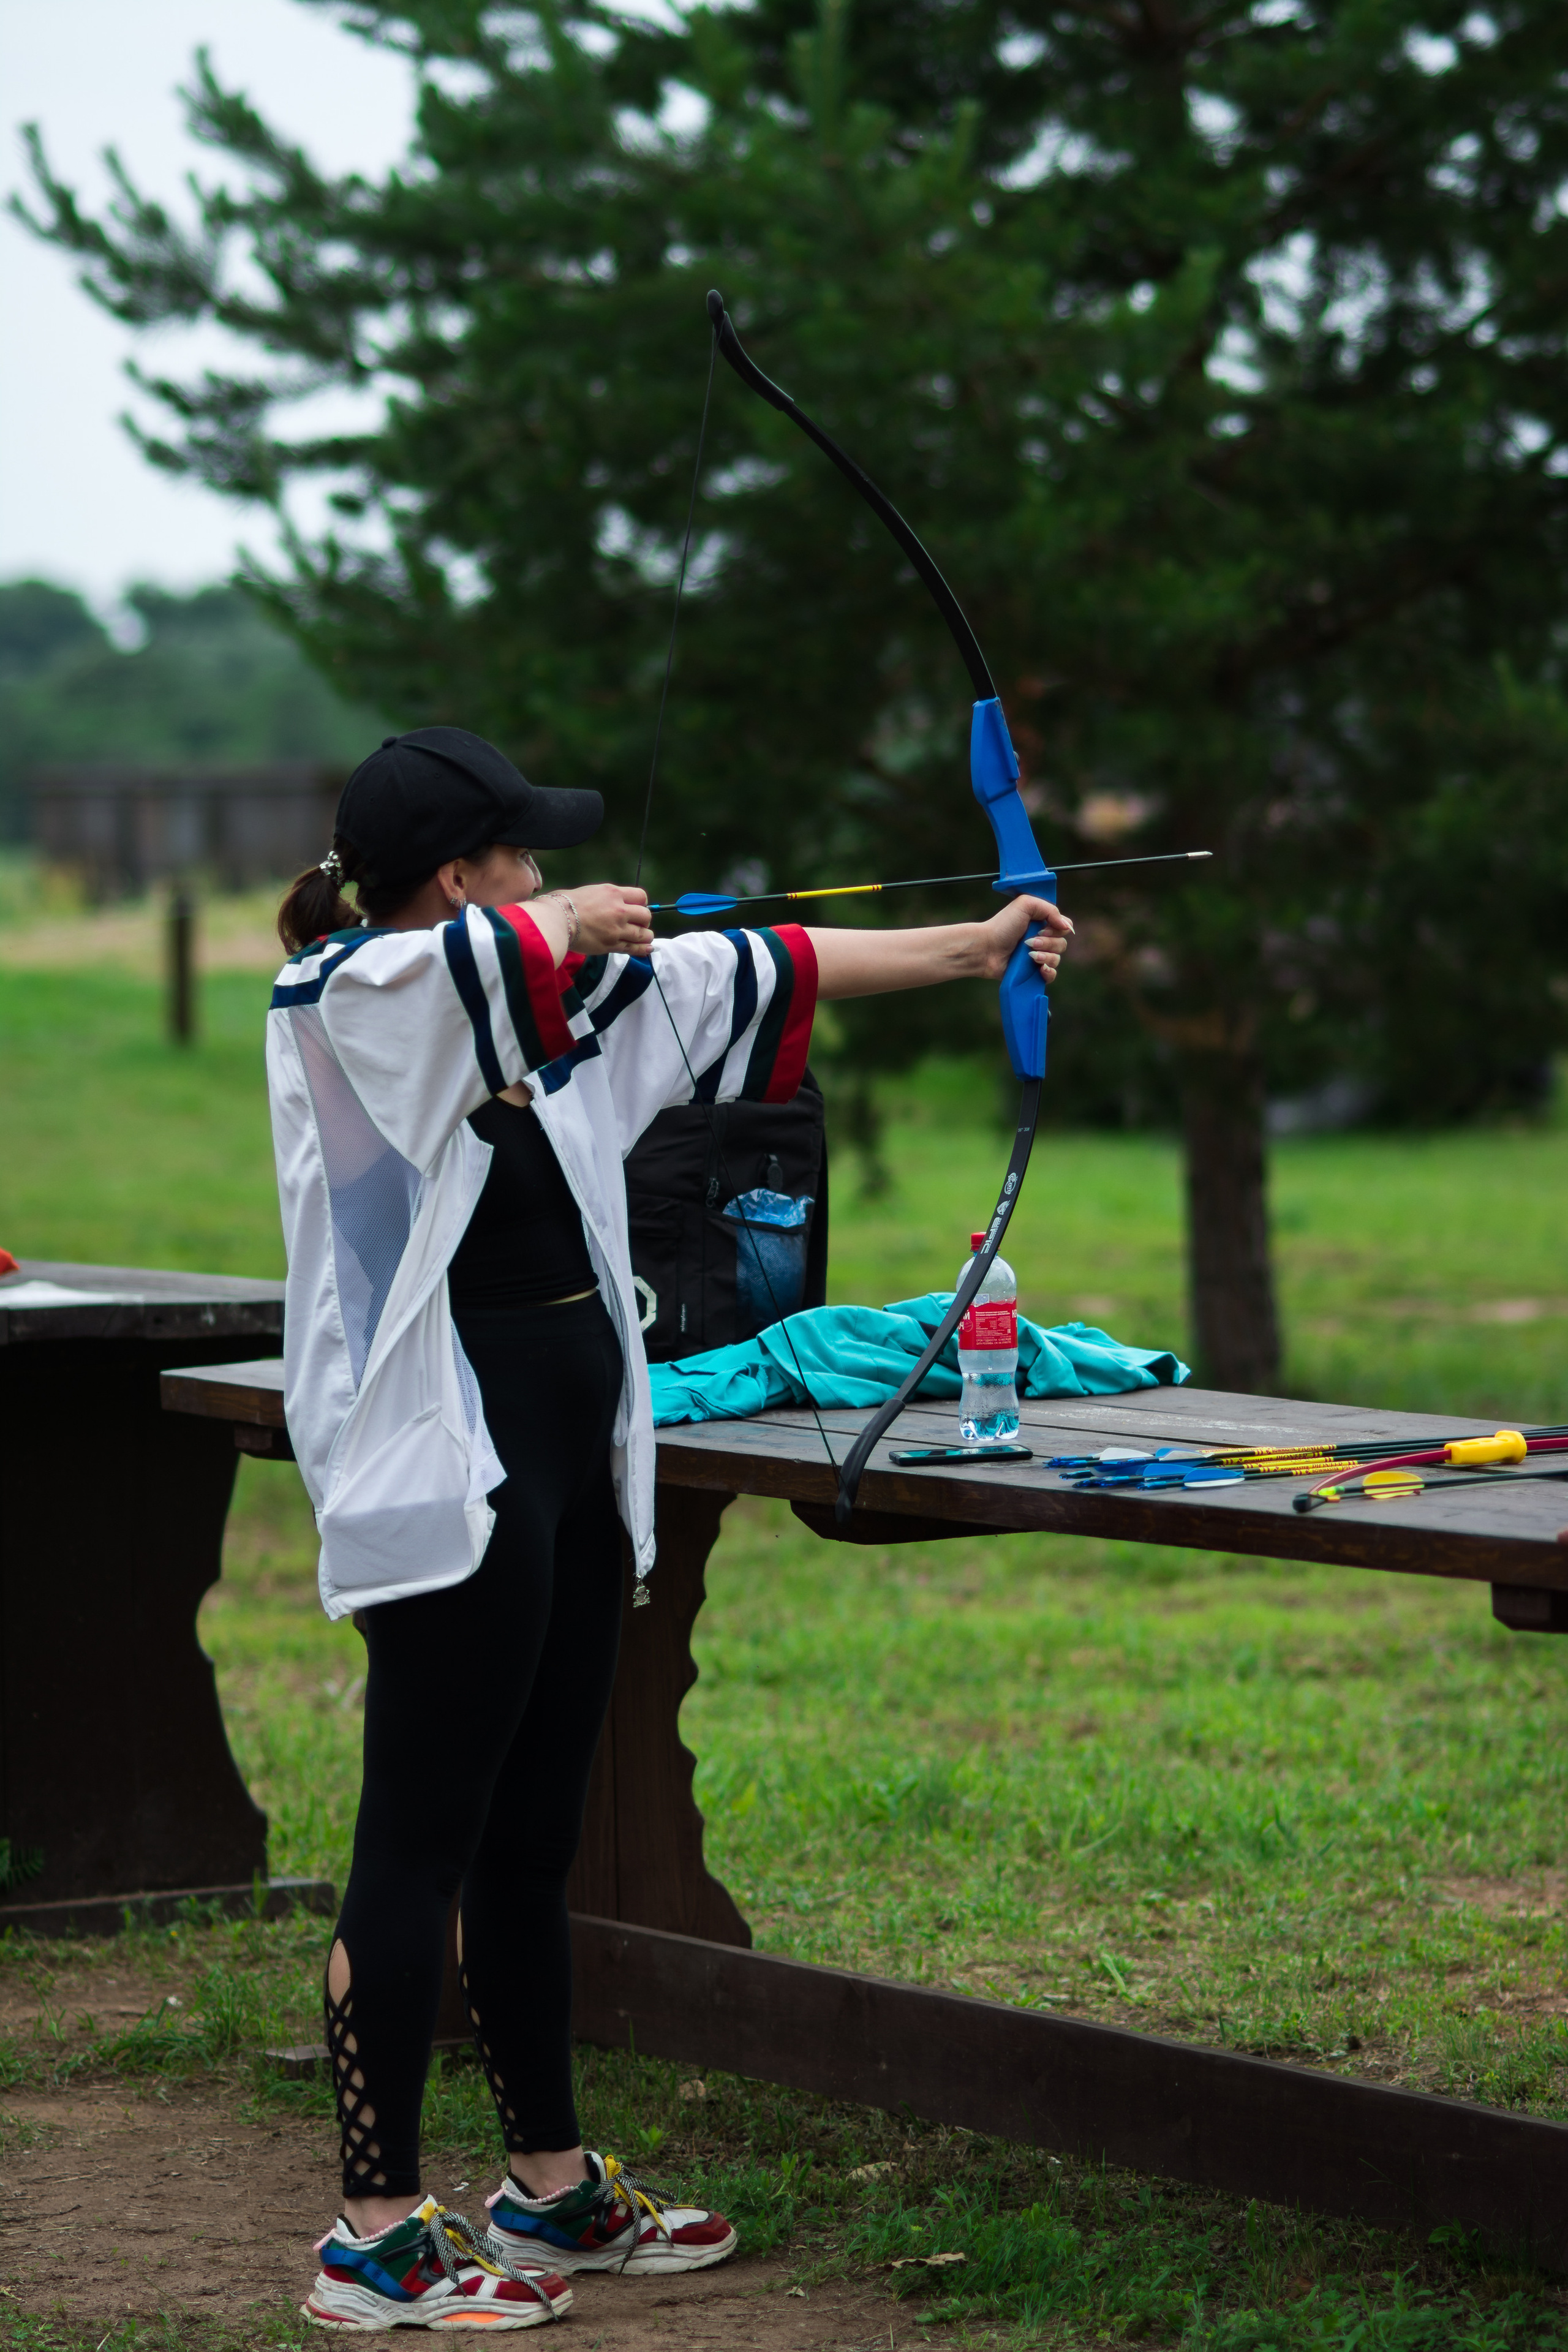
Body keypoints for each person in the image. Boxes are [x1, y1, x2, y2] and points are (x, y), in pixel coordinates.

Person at [268, 726, 1071, 2332]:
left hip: (574, 1462)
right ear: (459, 879)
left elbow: (761, 963)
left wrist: (982, 945)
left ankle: (549, 2188)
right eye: (525, 855)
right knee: (417, 1843)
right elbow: (428, 975)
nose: (551, 872)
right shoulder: (349, 1004)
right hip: (448, 1475)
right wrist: (560, 923)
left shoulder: (559, 1004)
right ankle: (372, 2233)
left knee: (533, 1837)